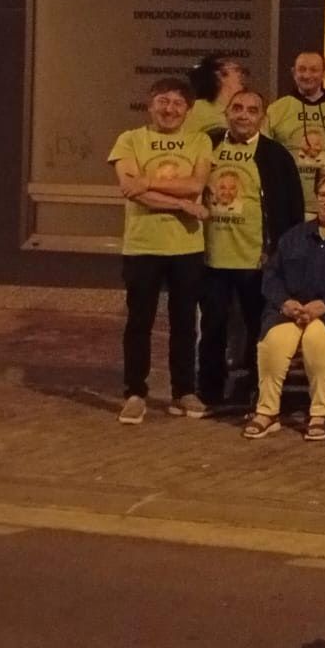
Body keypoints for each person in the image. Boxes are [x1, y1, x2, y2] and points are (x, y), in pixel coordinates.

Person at [243, 171, 325, 441]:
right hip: (290, 312)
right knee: (274, 341)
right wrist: (285, 303)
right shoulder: (295, 236)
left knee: (317, 340)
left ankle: (319, 413)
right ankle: (267, 411)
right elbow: (271, 275)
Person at [110, 78, 214, 424]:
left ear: (188, 110)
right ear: (150, 105)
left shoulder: (199, 141)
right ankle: (135, 393)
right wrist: (183, 205)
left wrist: (148, 180)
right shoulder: (129, 140)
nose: (170, 109)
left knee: (184, 322)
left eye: (177, 103)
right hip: (142, 245)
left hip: (187, 247)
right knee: (139, 322)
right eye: (163, 102)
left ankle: (183, 390)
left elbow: (196, 184)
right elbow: (131, 190)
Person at [199, 88, 305, 407]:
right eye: (238, 108)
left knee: (259, 328)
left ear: (262, 117)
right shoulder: (207, 146)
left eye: (252, 110)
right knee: (213, 327)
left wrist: (281, 255)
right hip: (211, 257)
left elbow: (292, 209)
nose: (243, 115)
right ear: (227, 113)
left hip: (257, 259)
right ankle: (210, 392)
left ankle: (259, 391)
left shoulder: (276, 155)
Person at [265, 51, 325, 214]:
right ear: (293, 72)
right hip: (287, 203)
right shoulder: (277, 109)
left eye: (314, 70)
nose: (307, 75)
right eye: (302, 69)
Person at [184, 53, 248, 137]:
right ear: (220, 75)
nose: (243, 75)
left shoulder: (248, 110)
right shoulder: (196, 109)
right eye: (236, 70)